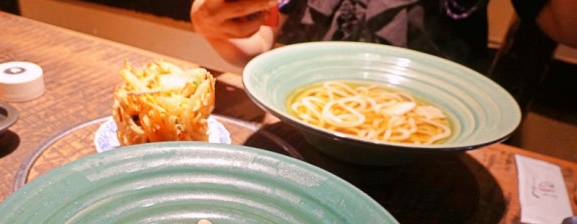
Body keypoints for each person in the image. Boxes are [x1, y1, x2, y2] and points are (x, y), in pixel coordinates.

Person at [190, 0, 577, 73]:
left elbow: (567, 27)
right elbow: (259, 43)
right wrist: (215, 26)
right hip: (298, 124)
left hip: (431, 145)